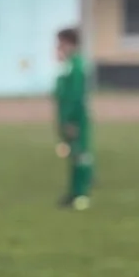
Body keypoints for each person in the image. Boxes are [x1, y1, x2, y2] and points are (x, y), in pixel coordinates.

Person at [54, 28, 93, 209]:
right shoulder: (69, 63)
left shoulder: (76, 65)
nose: (58, 47)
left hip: (75, 119)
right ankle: (74, 192)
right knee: (73, 155)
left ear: (69, 43)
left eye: (60, 43)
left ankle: (81, 195)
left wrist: (71, 121)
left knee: (80, 155)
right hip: (69, 117)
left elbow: (75, 96)